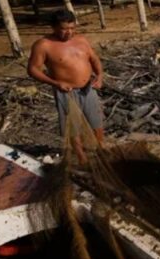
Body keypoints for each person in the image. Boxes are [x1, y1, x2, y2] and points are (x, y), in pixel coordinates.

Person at [27, 10, 104, 164]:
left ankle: (101, 150)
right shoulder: (44, 45)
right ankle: (81, 157)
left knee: (96, 121)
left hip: (88, 88)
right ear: (53, 27)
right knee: (73, 126)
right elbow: (33, 69)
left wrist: (100, 76)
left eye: (72, 28)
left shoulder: (81, 40)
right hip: (66, 92)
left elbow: (94, 59)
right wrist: (56, 83)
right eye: (64, 29)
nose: (69, 32)